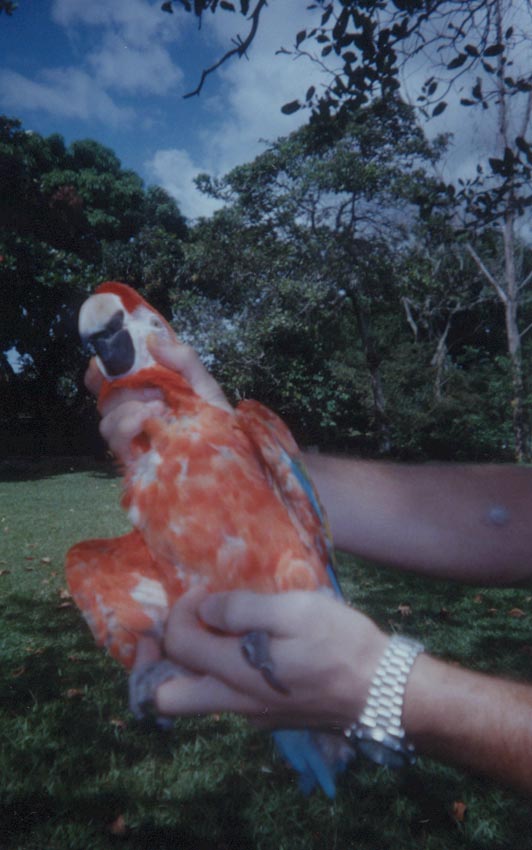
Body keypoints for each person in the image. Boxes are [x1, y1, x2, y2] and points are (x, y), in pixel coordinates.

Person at [86, 335, 532, 793]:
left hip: (301, 621)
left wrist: (384, 689)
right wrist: (218, 452)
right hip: (251, 612)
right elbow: (510, 515)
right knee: (90, 567)